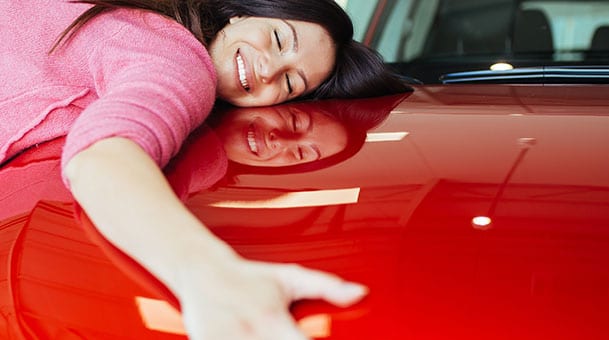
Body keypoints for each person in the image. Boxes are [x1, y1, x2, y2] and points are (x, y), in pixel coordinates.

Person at [0, 0, 411, 339]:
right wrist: (210, 274)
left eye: (288, 84)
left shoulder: (144, 15)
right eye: (277, 39)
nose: (268, 70)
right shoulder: (179, 60)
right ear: (242, 14)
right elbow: (103, 153)